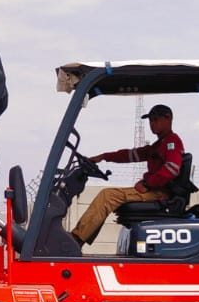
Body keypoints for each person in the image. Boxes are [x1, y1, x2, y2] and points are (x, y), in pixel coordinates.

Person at [70, 104, 184, 246]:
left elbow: (172, 169)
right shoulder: (158, 145)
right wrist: (104, 156)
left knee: (108, 196)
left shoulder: (172, 142)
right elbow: (129, 155)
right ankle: (79, 237)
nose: (152, 124)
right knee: (108, 195)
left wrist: (147, 183)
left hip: (158, 193)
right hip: (153, 190)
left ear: (168, 118)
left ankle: (76, 240)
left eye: (155, 120)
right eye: (150, 121)